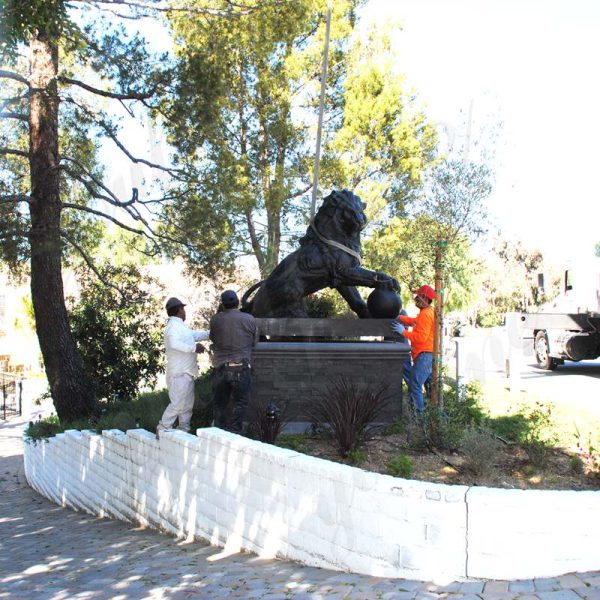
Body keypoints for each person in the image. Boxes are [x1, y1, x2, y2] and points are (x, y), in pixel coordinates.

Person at [157, 297, 209, 437]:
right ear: (179, 310)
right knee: (177, 404)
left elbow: (193, 335)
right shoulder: (172, 327)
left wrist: (210, 334)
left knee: (186, 406)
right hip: (178, 373)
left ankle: (183, 431)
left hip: (186, 372)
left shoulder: (180, 326)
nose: (185, 312)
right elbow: (174, 344)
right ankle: (162, 429)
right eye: (183, 309)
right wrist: (193, 348)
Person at [210, 290, 257, 433]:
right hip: (242, 367)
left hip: (221, 368)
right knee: (241, 403)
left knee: (220, 405)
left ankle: (218, 433)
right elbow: (254, 342)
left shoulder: (215, 320)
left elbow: (213, 338)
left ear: (223, 305)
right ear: (237, 302)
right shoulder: (249, 319)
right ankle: (236, 434)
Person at [391, 285, 435, 415]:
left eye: (419, 296)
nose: (416, 299)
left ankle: (419, 417)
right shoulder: (427, 312)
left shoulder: (426, 314)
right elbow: (415, 322)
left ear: (425, 299)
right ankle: (436, 416)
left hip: (424, 354)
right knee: (430, 387)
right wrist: (400, 318)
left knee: (415, 385)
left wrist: (403, 332)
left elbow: (421, 338)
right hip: (427, 354)